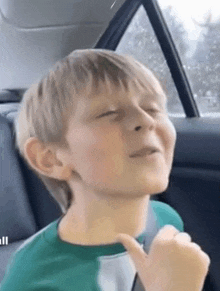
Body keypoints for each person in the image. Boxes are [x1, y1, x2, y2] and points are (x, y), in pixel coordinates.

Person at [0, 49, 210, 291]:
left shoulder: (164, 219)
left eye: (153, 109)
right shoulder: (37, 281)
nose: (146, 120)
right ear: (51, 159)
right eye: (109, 113)